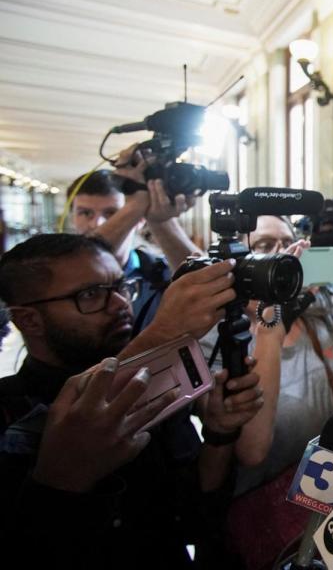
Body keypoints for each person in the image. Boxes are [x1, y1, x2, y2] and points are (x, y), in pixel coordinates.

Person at [0, 233, 263, 568]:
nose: (121, 305)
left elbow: (194, 515)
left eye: (121, 287)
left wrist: (218, 435)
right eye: (91, 295)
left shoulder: (155, 383)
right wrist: (162, 334)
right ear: (28, 319)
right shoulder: (11, 415)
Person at [219, 215, 333, 570]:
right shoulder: (224, 335)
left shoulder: (326, 309)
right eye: (265, 247)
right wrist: (270, 331)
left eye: (288, 244)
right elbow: (252, 450)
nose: (282, 256)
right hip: (265, 519)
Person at [67, 157, 200, 332]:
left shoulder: (161, 273)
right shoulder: (60, 276)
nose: (96, 224)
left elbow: (205, 281)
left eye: (111, 213)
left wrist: (159, 216)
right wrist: (137, 204)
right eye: (85, 213)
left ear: (140, 219)